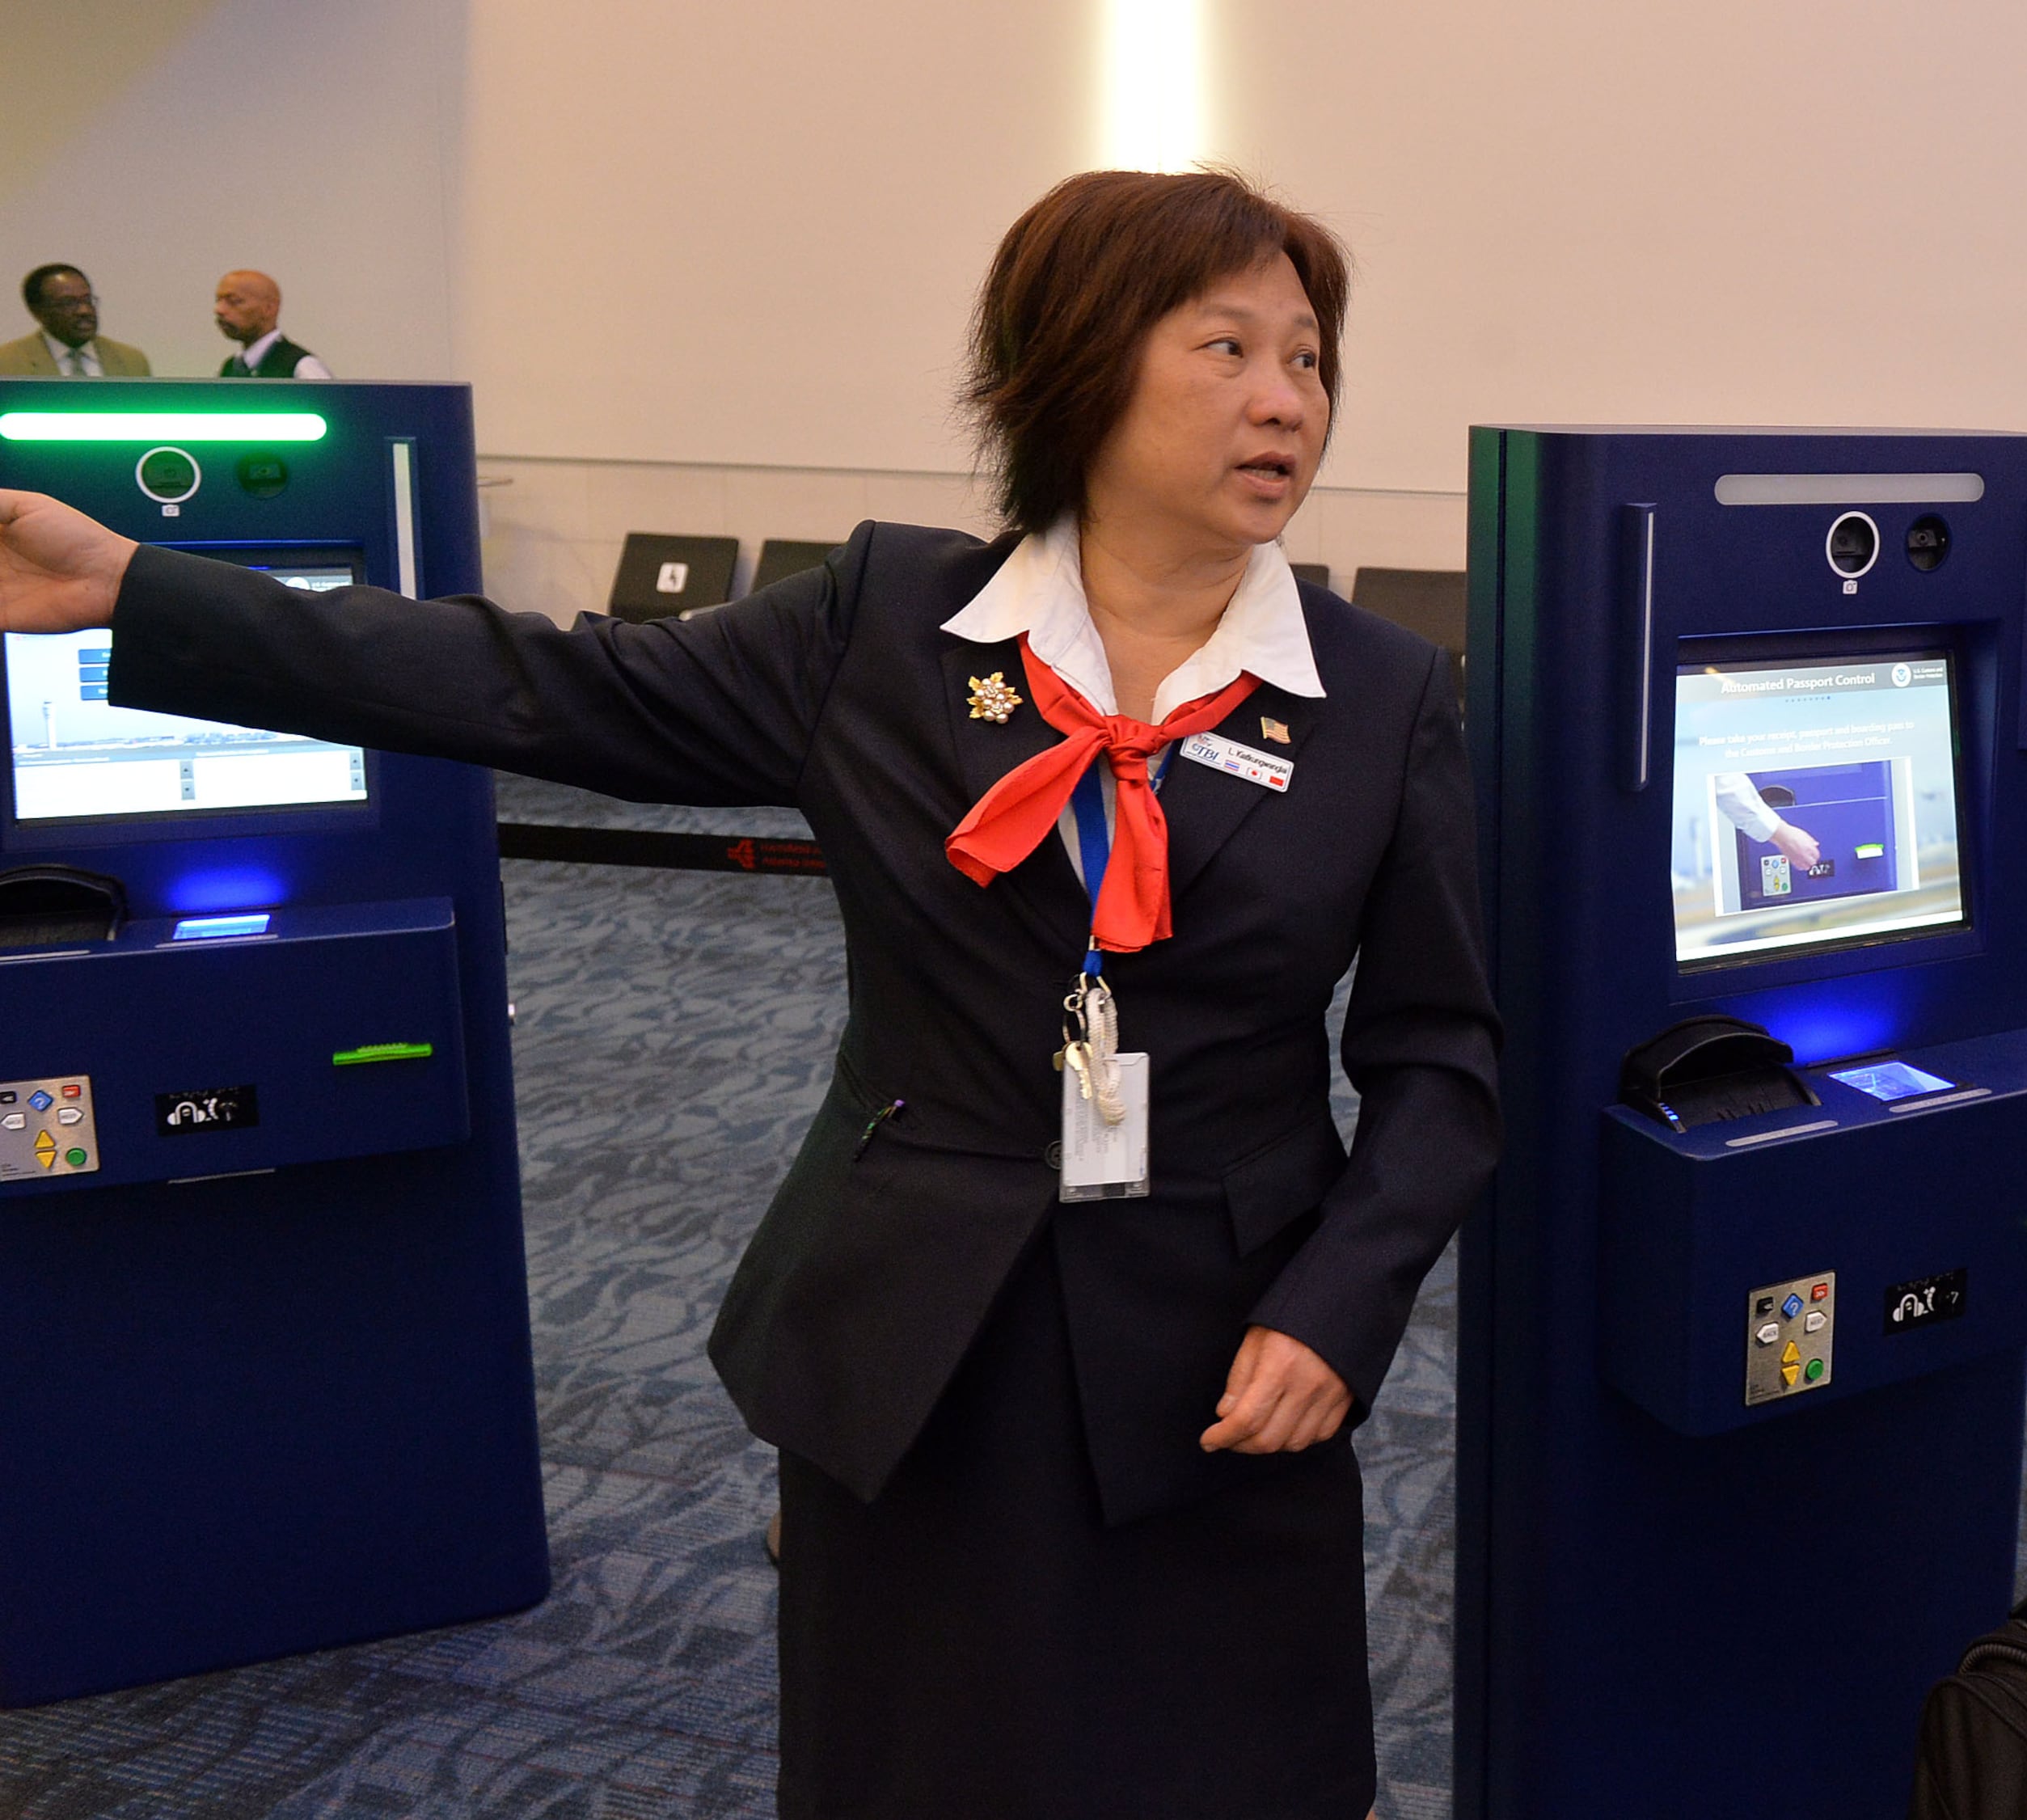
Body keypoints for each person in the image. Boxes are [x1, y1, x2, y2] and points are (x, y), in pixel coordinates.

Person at [0, 169, 1499, 1820]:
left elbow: (1439, 1059)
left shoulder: (1379, 696)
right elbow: (536, 683)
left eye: (1310, 358)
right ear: (1078, 361)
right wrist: (132, 592)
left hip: (1222, 1361)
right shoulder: (888, 626)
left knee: (1226, 1765)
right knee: (918, 1764)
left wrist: (1338, 1306)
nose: (1287, 398)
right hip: (920, 1336)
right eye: (1228, 348)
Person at [0, 264, 150, 376]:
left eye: (87, 300)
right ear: (37, 311)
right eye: (68, 303)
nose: (84, 311)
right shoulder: (7, 363)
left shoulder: (131, 360)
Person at [212, 269, 332, 378]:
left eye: (234, 301)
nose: (219, 310)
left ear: (269, 308)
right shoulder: (231, 367)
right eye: (218, 301)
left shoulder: (301, 367)